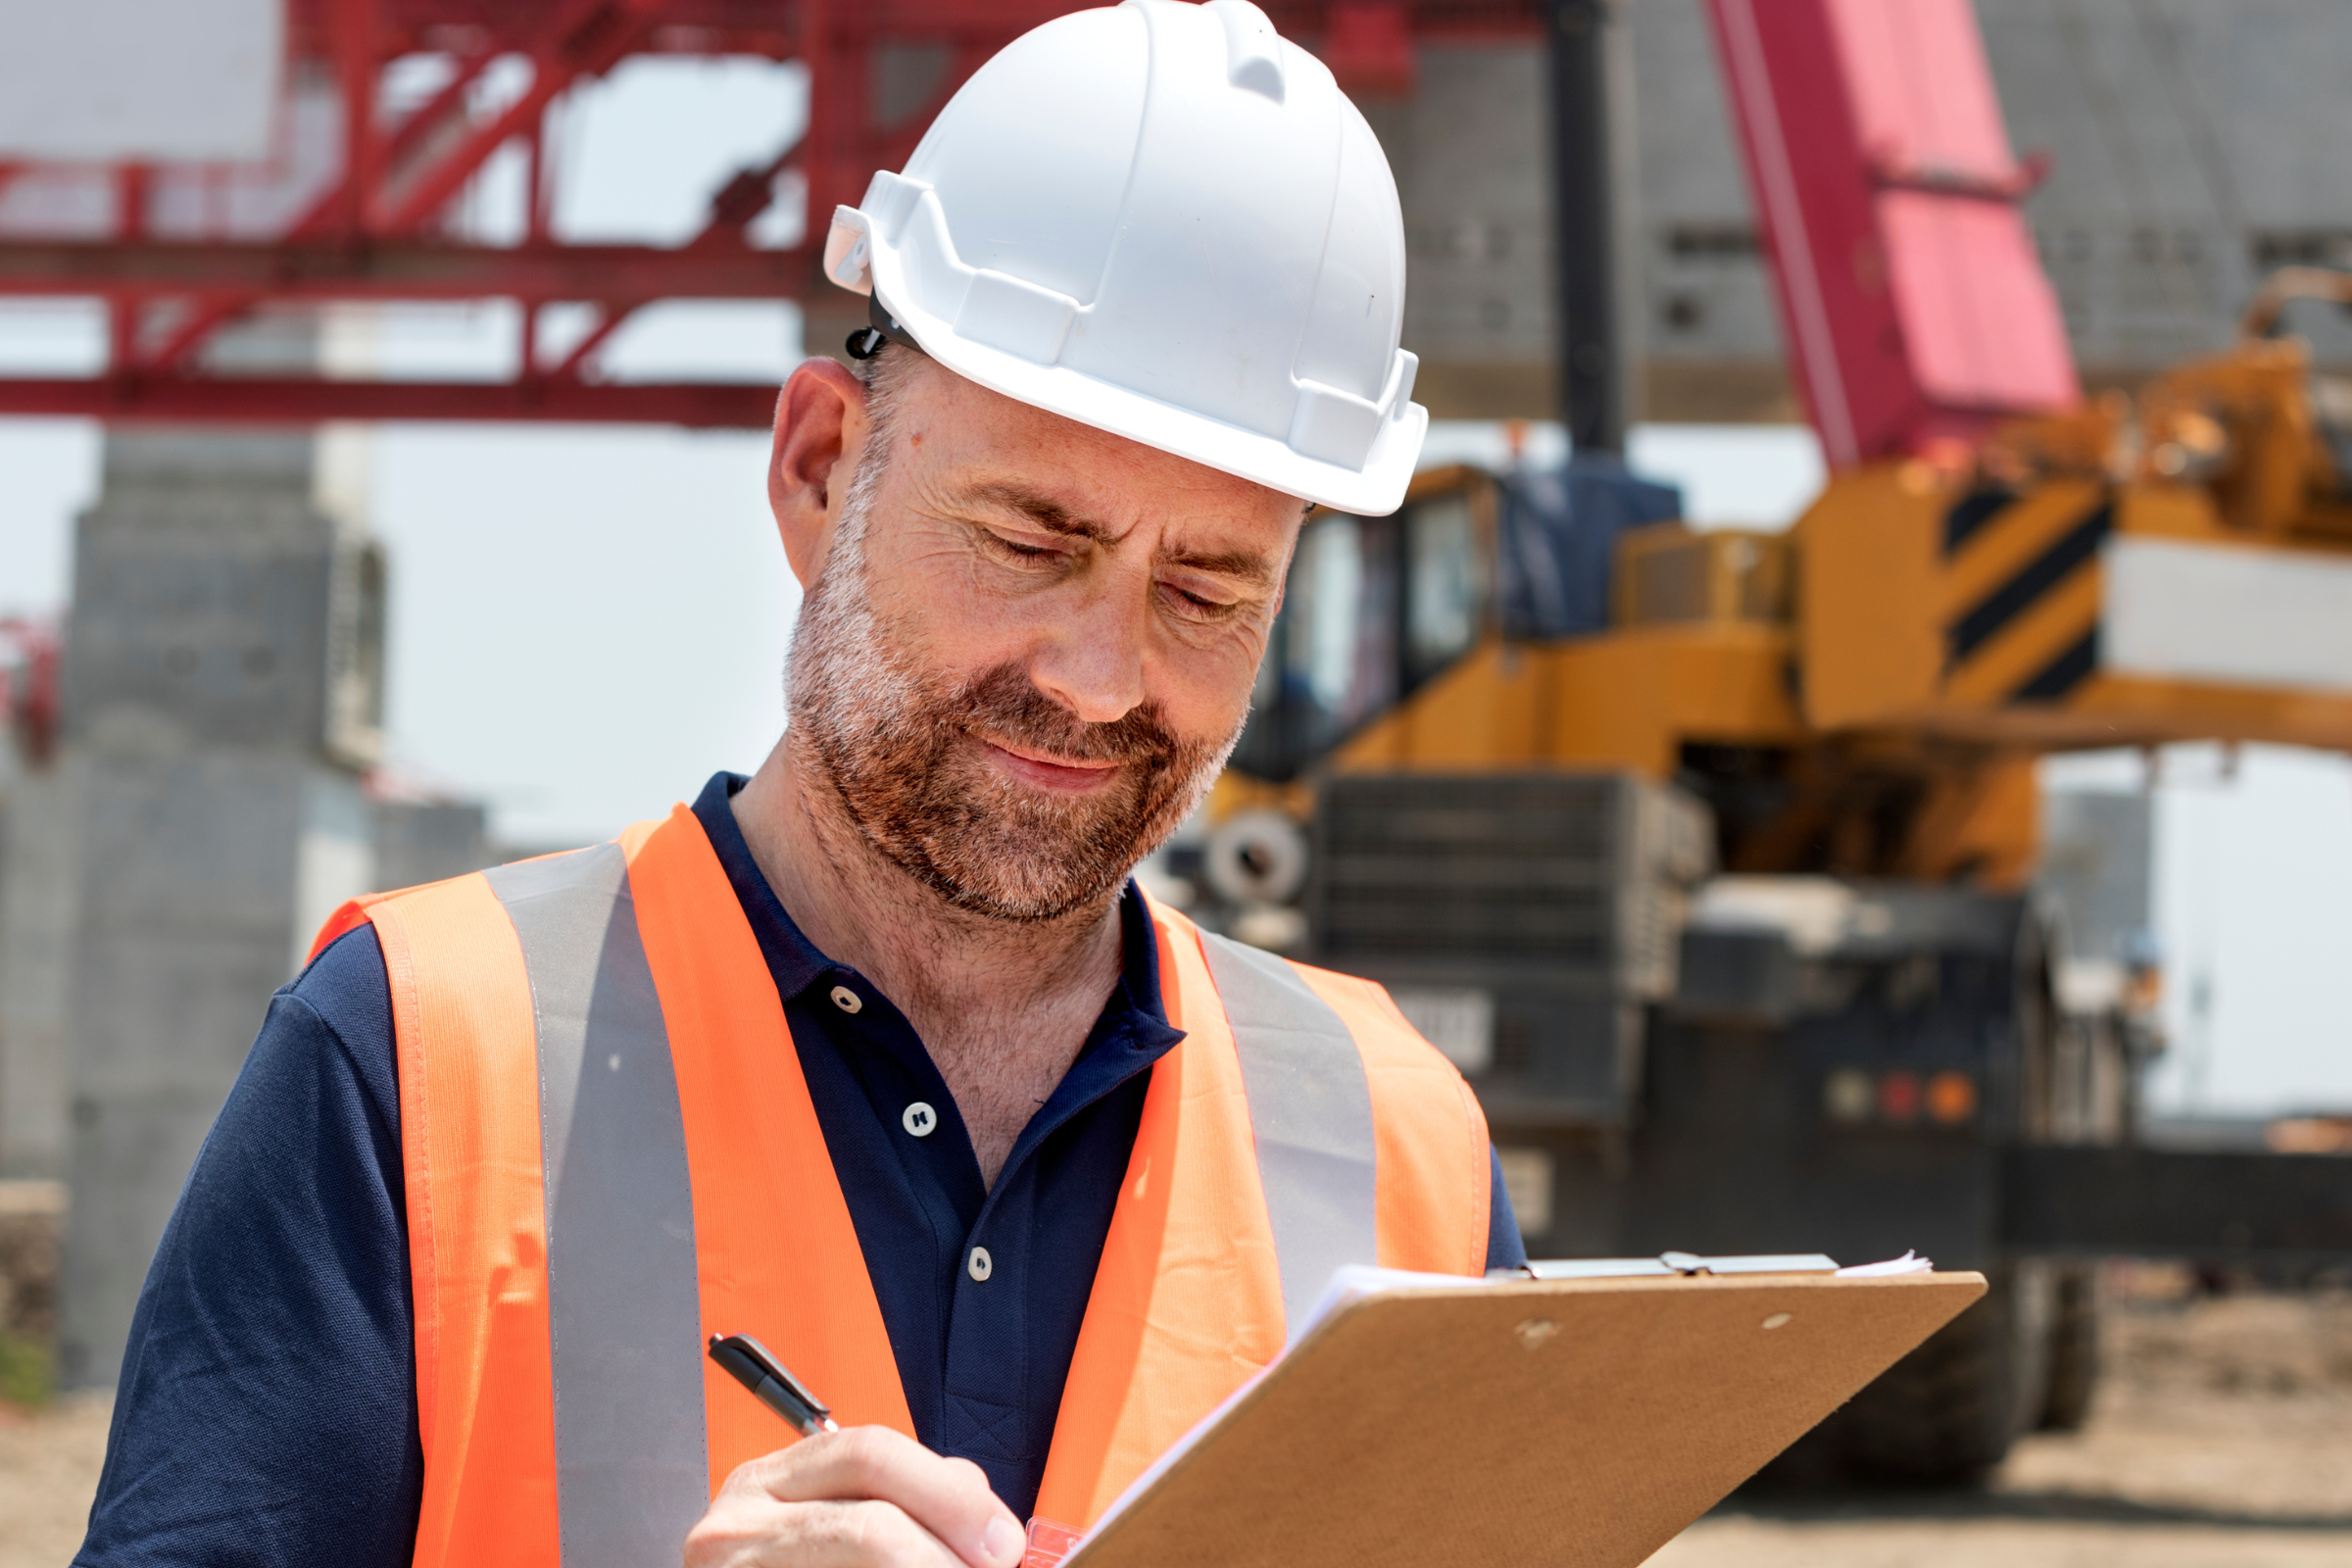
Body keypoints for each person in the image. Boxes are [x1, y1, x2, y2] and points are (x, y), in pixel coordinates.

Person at [77, 4, 1521, 1565]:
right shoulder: (414, 1060)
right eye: (1032, 543)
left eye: (1211, 593)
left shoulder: (1400, 1148)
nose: (1104, 678)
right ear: (820, 469)